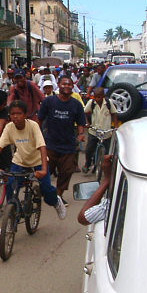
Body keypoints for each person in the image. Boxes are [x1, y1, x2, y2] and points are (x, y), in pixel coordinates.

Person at [0, 99, 66, 220]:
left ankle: (56, 201)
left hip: (38, 161)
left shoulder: (33, 126)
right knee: (10, 185)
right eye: (12, 114)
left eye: (18, 113)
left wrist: (44, 170)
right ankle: (11, 214)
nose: (15, 116)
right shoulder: (9, 128)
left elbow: (42, 147)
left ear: (25, 115)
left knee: (46, 189)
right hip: (20, 161)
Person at [38, 76, 86, 206]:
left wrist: (81, 134)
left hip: (68, 145)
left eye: (70, 84)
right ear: (58, 85)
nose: (67, 86)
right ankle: (42, 193)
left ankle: (58, 196)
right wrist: (37, 135)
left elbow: (81, 122)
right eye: (64, 84)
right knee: (45, 172)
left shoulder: (76, 104)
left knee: (66, 172)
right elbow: (39, 119)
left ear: (72, 87)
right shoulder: (49, 101)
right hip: (50, 144)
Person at [82, 87, 117, 173]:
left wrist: (115, 126)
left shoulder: (109, 103)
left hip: (106, 132)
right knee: (89, 149)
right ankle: (88, 163)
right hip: (94, 131)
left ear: (103, 96)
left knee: (107, 152)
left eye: (99, 97)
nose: (97, 99)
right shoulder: (91, 103)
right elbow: (85, 112)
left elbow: (114, 114)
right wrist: (87, 123)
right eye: (95, 97)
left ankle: (106, 168)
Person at [77, 155, 113, 225]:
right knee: (89, 150)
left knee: (89, 150)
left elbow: (83, 217)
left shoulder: (115, 201)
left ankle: (87, 165)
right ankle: (87, 164)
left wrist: (106, 179)